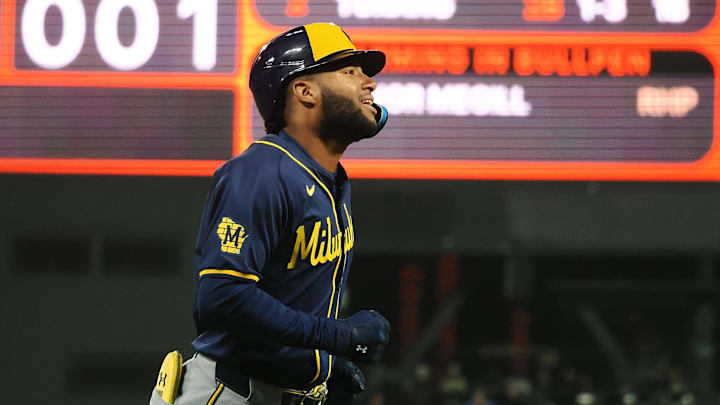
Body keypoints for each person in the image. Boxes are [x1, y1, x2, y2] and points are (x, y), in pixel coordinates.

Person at [149, 23, 390, 405]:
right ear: (304, 91)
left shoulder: (330, 179)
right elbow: (223, 296)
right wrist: (339, 338)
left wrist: (319, 367)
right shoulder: (262, 171)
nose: (369, 83)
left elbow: (285, 301)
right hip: (229, 392)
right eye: (349, 71)